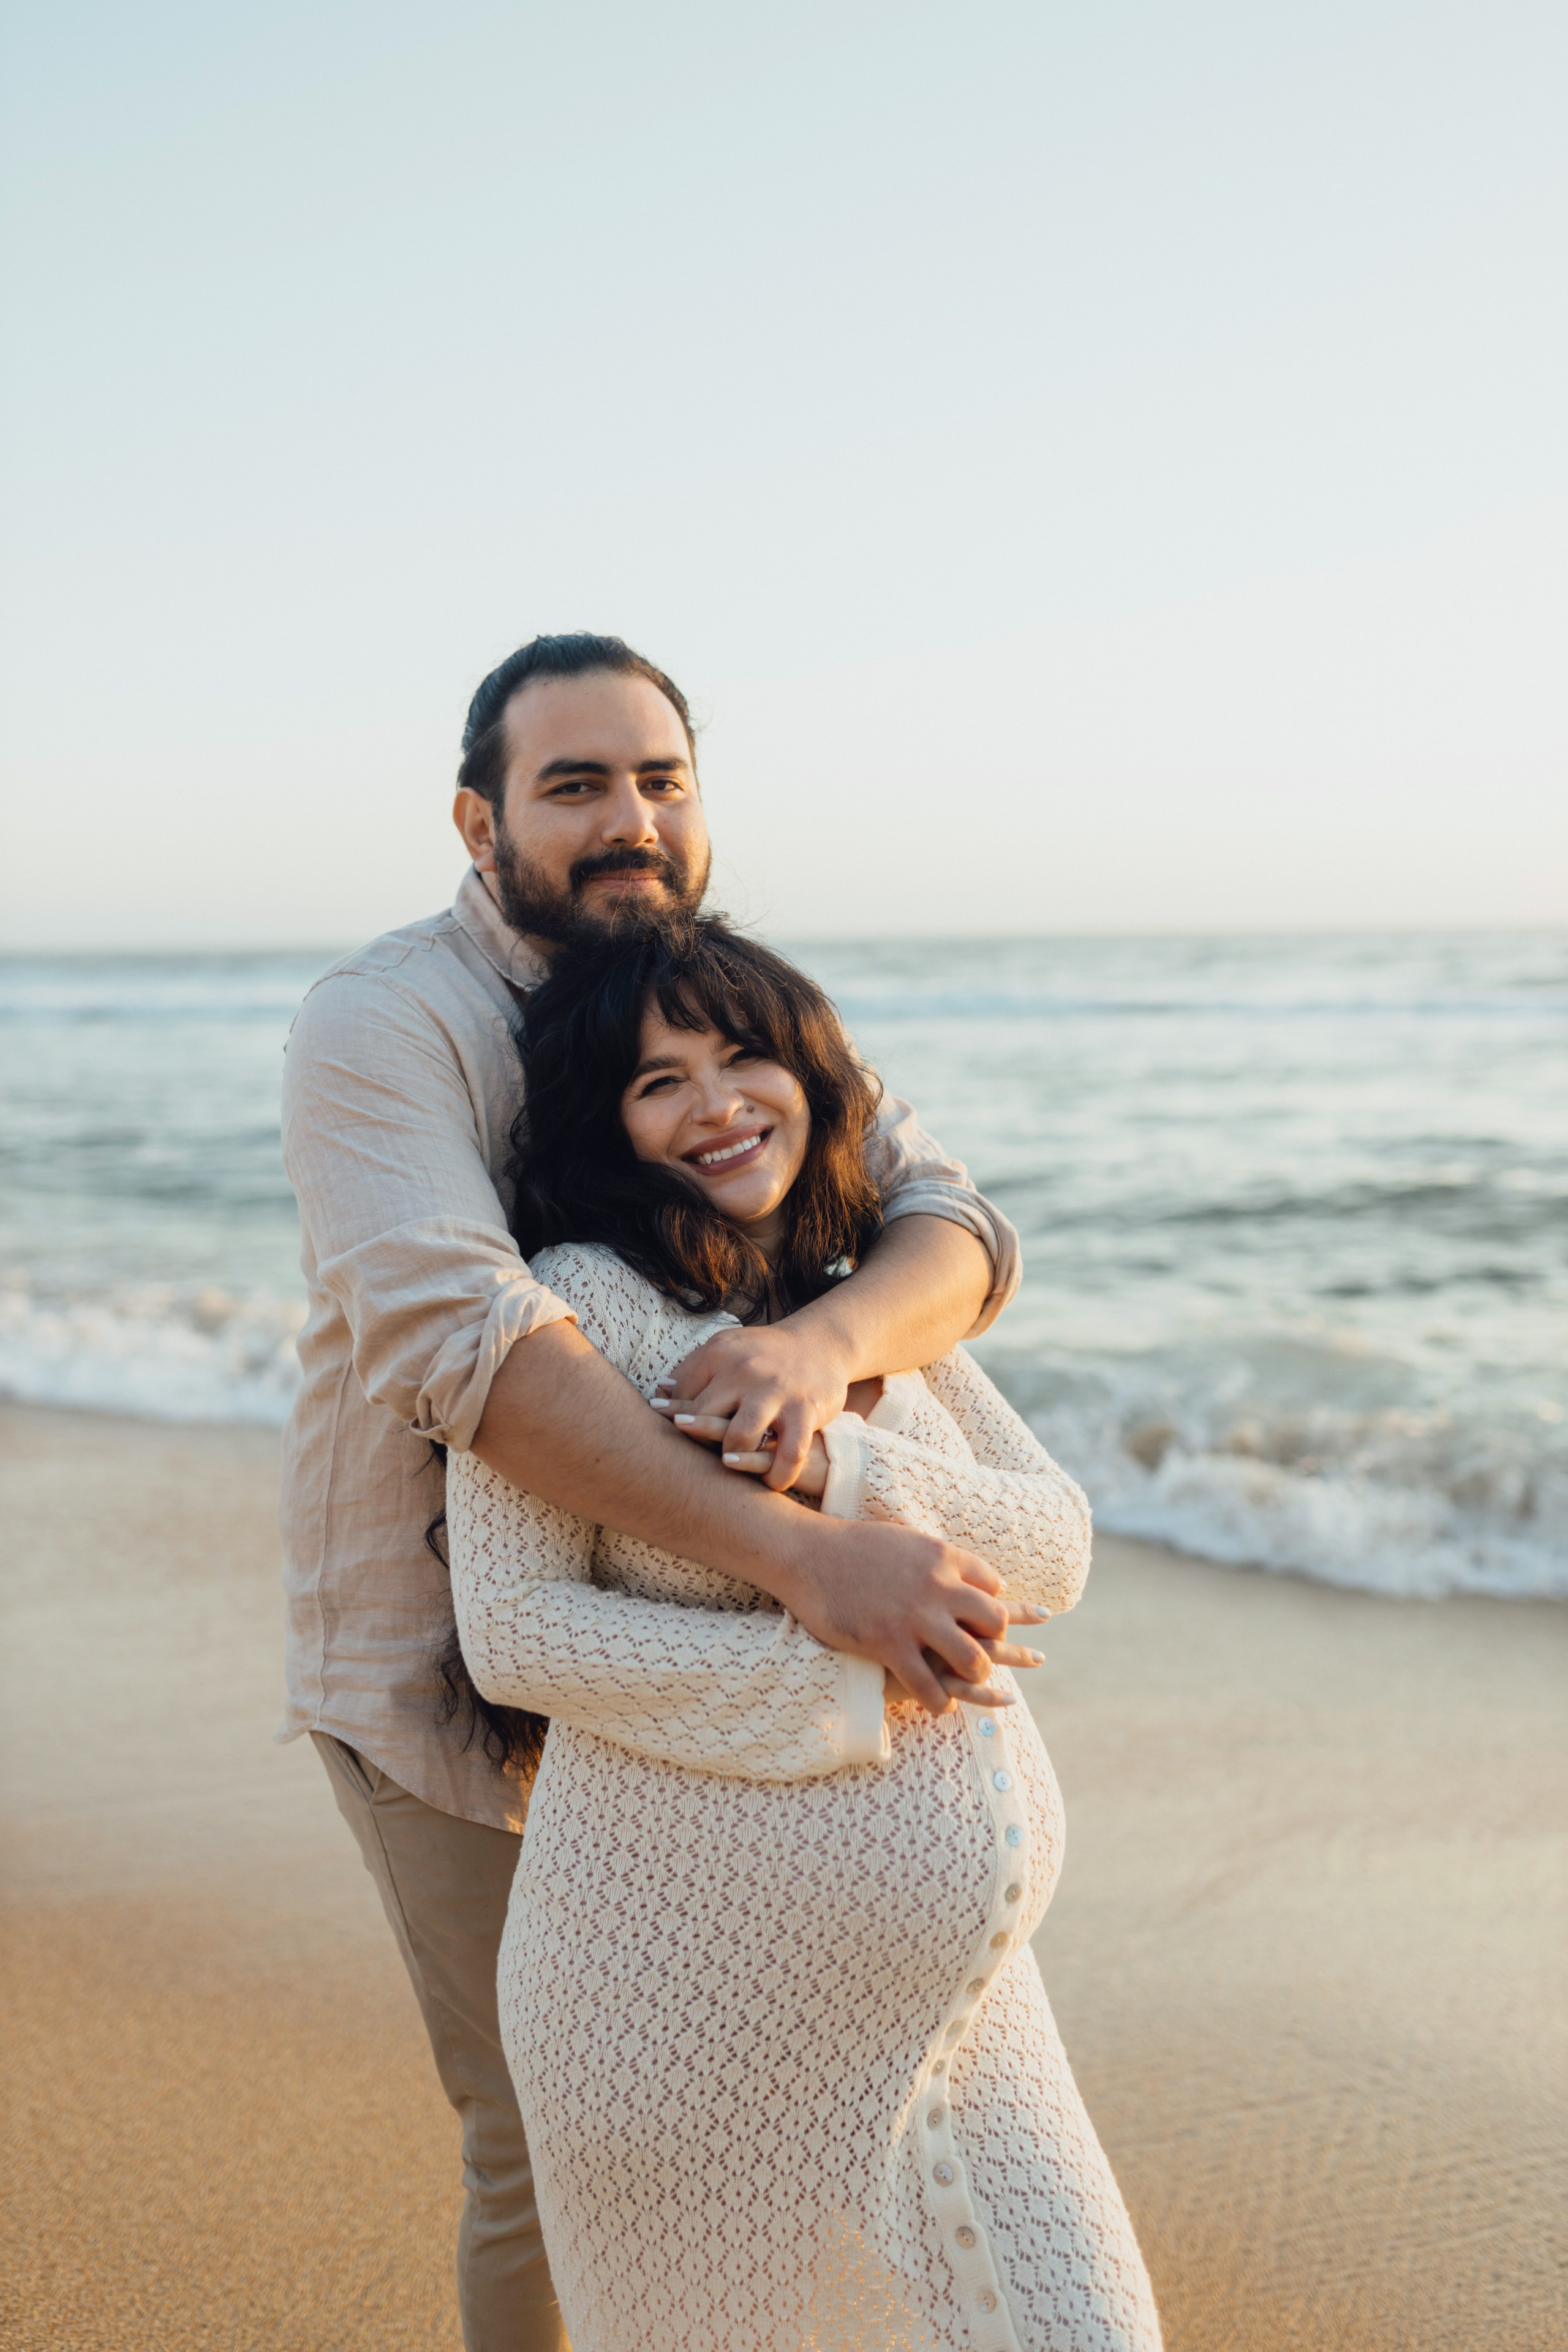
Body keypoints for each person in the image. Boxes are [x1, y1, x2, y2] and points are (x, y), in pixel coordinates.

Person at [278, 634, 1033, 2352]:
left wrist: (823, 1347)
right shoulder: (381, 1024)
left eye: (660, 780)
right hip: (451, 1666)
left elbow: (954, 1224)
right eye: (576, 786)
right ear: (479, 821)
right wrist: (807, 1555)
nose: (630, 820)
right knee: (550, 2146)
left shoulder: (711, 990)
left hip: (714, 1648)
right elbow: (483, 1350)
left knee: (756, 2112)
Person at [445, 919, 1163, 2352]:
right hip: (673, 2006)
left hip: (962, 2016)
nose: (716, 1103)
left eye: (744, 1055)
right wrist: (822, 1684)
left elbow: (1054, 1547)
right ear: (608, 1121)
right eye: (660, 1082)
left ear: (813, 1076)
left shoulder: (867, 1305)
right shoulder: (573, 1306)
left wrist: (834, 1449)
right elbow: (512, 1631)